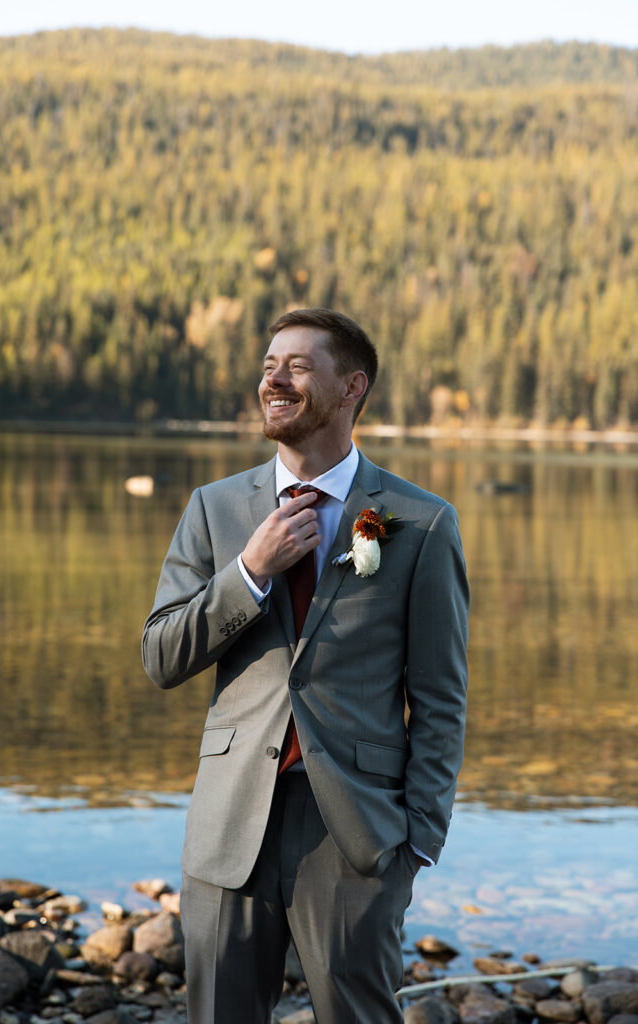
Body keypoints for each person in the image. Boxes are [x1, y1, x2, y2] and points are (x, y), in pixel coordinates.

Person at [142, 308, 469, 1024]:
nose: (272, 378)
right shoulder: (214, 509)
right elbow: (161, 656)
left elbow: (441, 700)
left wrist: (415, 842)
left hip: (354, 834)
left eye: (294, 365)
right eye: (267, 364)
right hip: (230, 824)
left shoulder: (420, 523)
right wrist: (249, 572)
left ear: (351, 387)